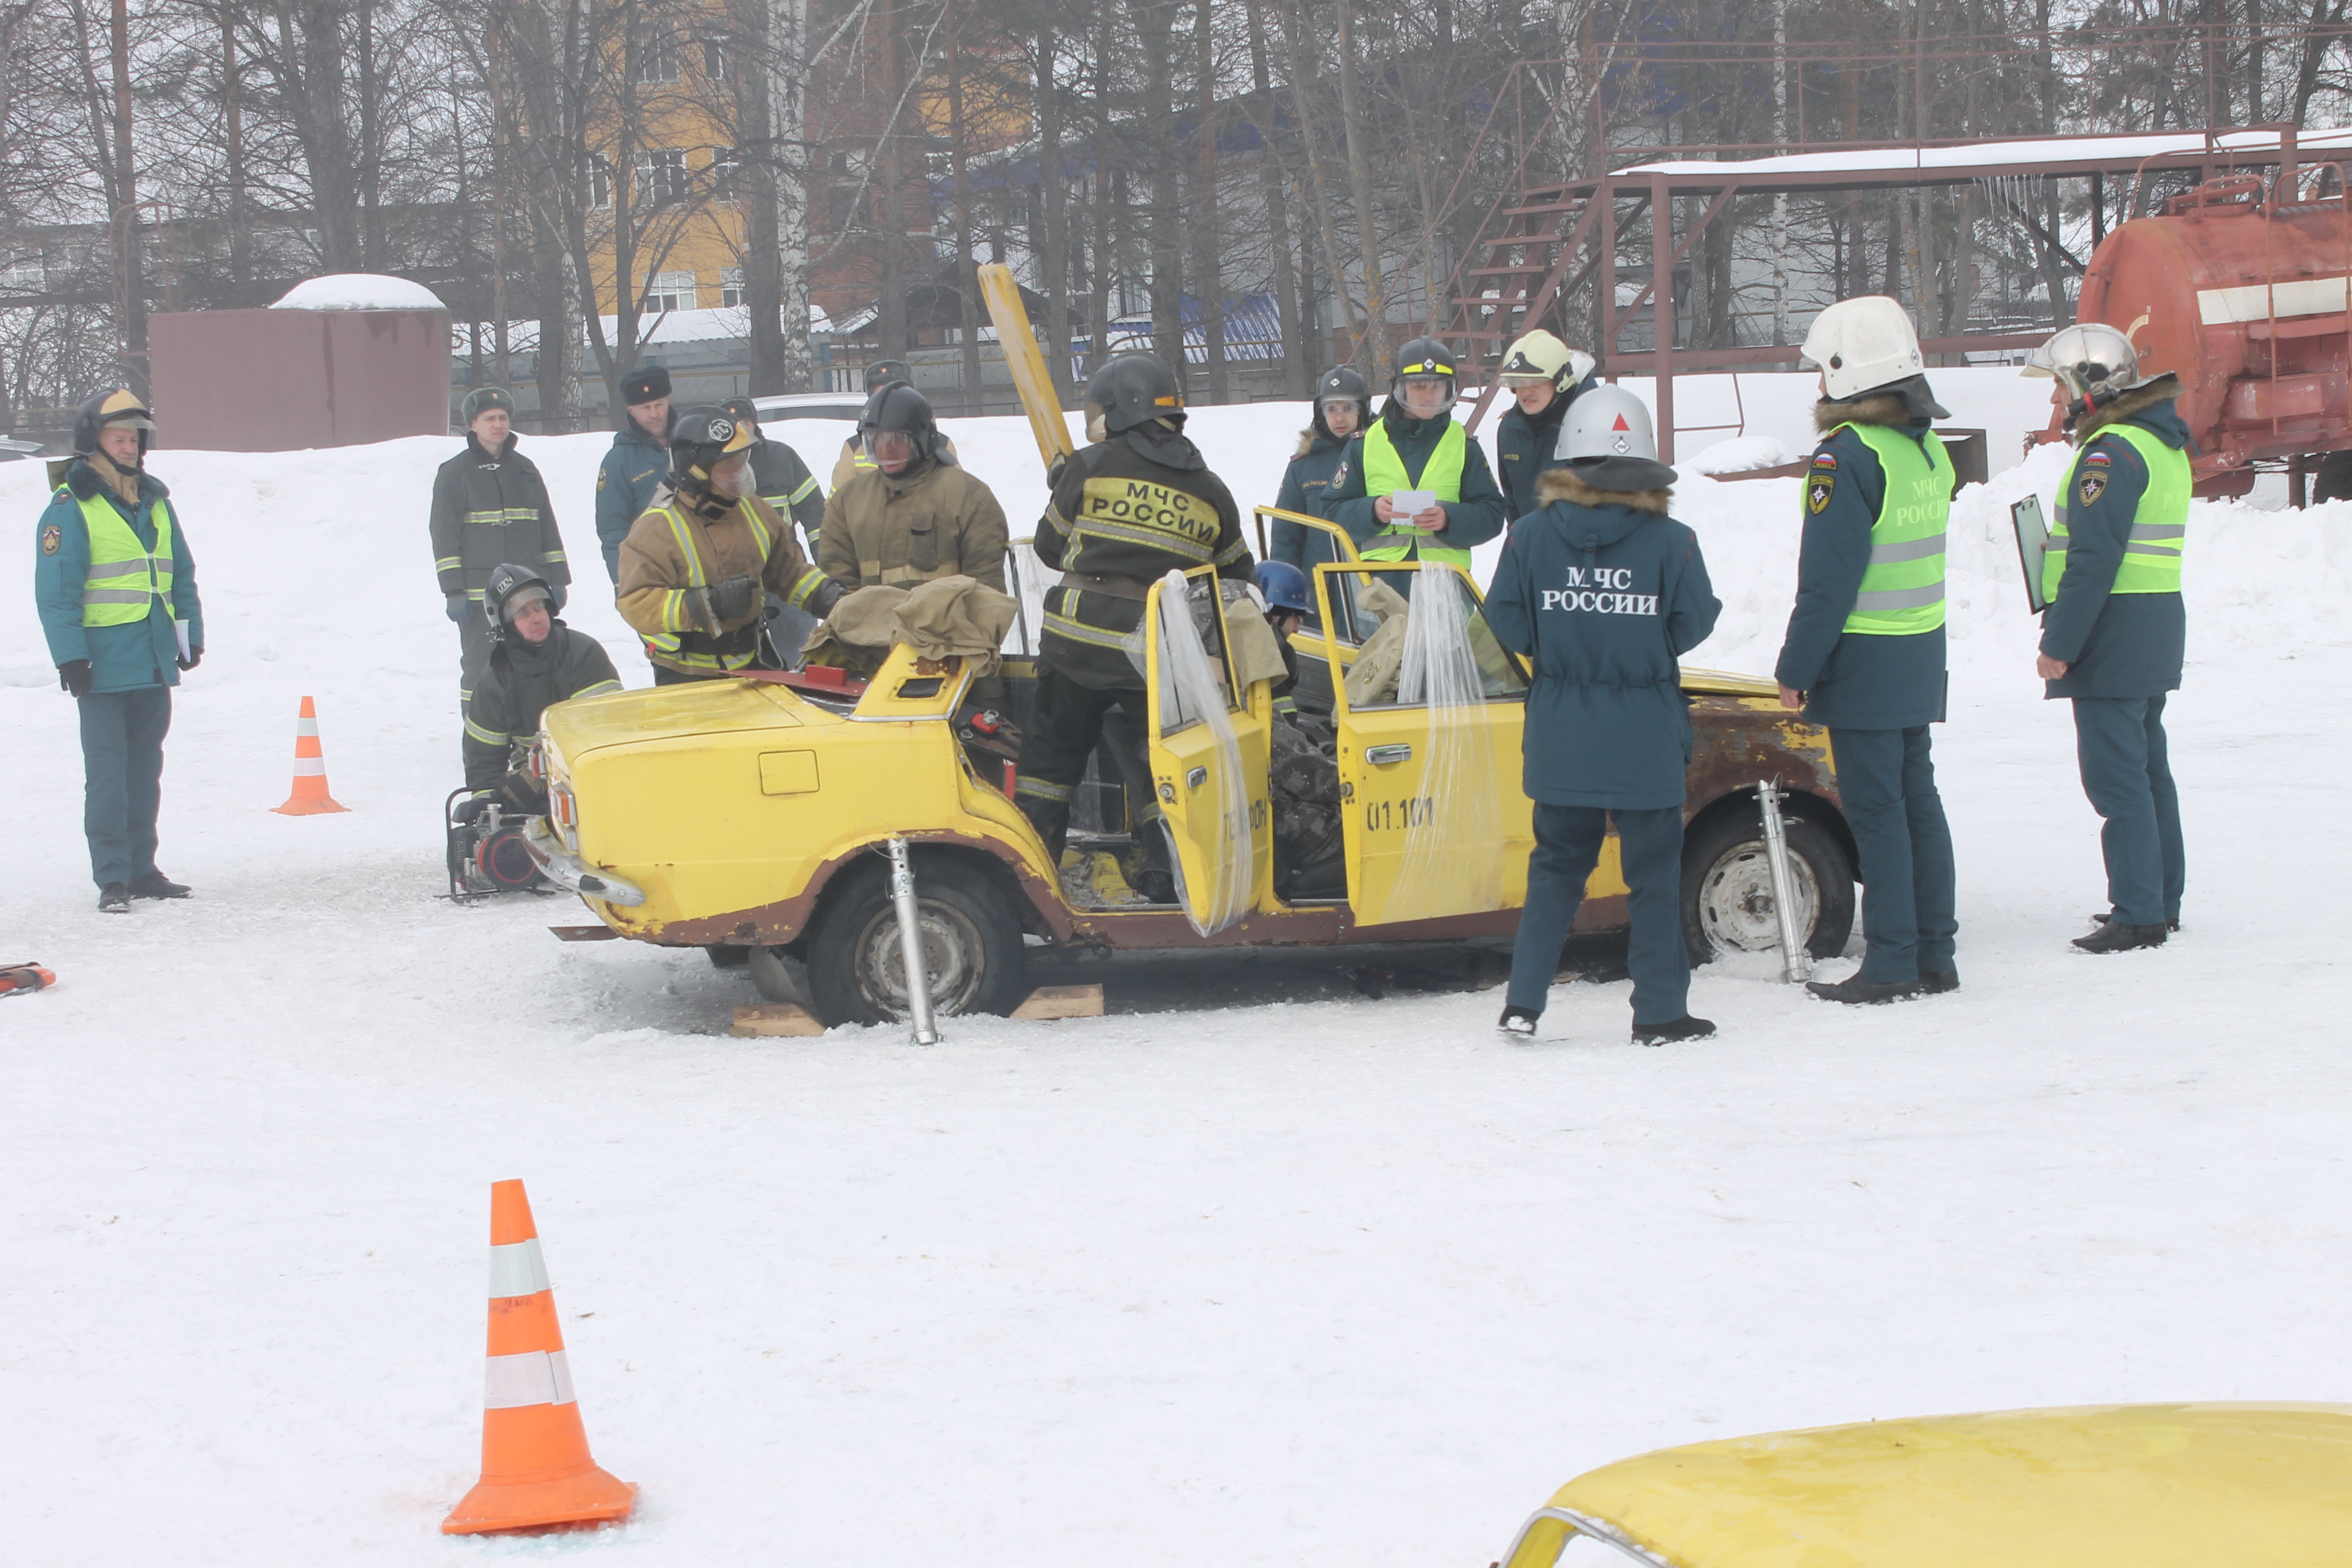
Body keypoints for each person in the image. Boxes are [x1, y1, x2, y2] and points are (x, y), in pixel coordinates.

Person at [1486, 386, 1721, 1044]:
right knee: (1652, 877)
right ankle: (1659, 1013)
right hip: (1644, 732)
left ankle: (1523, 1004)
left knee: (1556, 869)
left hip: (1562, 730)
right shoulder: (1673, 541)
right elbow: (1694, 622)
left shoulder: (1530, 536)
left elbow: (1506, 618)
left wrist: (1559, 647)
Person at [1772, 296, 1959, 1005]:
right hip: (1919, 649)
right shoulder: (1923, 445)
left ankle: (1890, 963)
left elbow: (1828, 583)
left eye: (1823, 369)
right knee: (1919, 803)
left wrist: (1797, 668)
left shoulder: (1845, 458)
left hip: (1867, 659)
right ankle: (1935, 952)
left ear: (1851, 375)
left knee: (1878, 814)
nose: (1817, 382)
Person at [1015, 352, 1254, 898]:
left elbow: (1052, 550)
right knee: (1162, 763)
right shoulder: (1212, 490)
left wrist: (1066, 489)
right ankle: (1165, 874)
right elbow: (1236, 578)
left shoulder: (1090, 465)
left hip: (1078, 646)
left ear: (1121, 409)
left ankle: (1028, 880)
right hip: (1157, 656)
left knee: (1049, 764)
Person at [2024, 323, 2191, 952]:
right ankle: (2161, 897)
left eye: (2062, 384)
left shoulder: (2108, 452)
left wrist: (2059, 643)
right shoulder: (2159, 442)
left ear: (2087, 386)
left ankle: (2139, 911)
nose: (2059, 398)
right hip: (2153, 622)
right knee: (2149, 771)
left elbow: (2093, 559)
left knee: (2117, 778)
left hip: (2112, 629)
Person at [34, 388, 205, 913]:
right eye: (119, 438)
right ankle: (112, 877)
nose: (130, 447)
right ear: (95, 441)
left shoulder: (154, 500)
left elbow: (180, 574)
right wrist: (71, 657)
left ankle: (143, 869)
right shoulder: (70, 507)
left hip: (153, 660)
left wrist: (189, 634)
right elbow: (57, 592)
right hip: (102, 666)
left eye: (135, 438)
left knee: (144, 771)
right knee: (108, 775)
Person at [617, 404, 846, 683]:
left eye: (744, 458)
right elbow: (636, 603)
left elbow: (787, 573)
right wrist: (705, 605)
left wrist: (829, 598)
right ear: (698, 471)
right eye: (730, 464)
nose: (742, 471)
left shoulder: (754, 510)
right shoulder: (657, 528)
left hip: (752, 661)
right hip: (686, 675)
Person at [430, 386, 570, 735]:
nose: (498, 424)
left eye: (503, 418)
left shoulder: (525, 469)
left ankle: (534, 731)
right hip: (480, 594)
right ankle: (479, 735)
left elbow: (547, 525)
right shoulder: (454, 472)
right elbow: (444, 535)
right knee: (481, 663)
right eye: (489, 418)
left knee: (535, 659)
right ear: (473, 425)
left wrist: (557, 579)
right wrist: (453, 590)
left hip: (528, 590)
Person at [1320, 336, 1507, 573]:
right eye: (1419, 386)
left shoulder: (1464, 446)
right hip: (1382, 582)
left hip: (1447, 583)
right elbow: (1332, 511)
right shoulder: (1363, 445)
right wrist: (1372, 511)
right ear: (1401, 389)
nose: (1428, 396)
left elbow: (1492, 515)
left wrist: (1449, 518)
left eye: (1437, 386)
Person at [818, 382, 1008, 594]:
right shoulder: (848, 502)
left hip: (949, 627)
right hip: (869, 627)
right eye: (876, 440)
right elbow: (840, 591)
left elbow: (987, 597)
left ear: (922, 440)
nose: (885, 450)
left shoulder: (969, 498)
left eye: (896, 440)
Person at [462, 563, 623, 802]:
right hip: (534, 794)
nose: (536, 618)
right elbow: (483, 764)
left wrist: (539, 775)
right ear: (505, 625)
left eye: (539, 607)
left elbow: (605, 734)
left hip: (598, 781)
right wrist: (488, 805)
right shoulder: (495, 680)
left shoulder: (583, 654)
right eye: (523, 613)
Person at [1255, 559, 1346, 900]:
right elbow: (1293, 766)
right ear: (1272, 616)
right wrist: (1353, 783)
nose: (1297, 626)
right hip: (1285, 815)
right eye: (1295, 616)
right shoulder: (1255, 684)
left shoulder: (1256, 671)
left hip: (1279, 803)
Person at [1491, 329, 1598, 527]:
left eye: (1536, 381)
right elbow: (1512, 505)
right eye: (1518, 383)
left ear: (1561, 380)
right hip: (1534, 550)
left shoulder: (1598, 424)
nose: (1526, 391)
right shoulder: (1510, 430)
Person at [1270, 366, 1370, 573]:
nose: (1339, 418)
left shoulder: (1381, 455)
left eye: (1348, 408)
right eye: (1331, 409)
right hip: (1319, 588)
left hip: (1372, 583)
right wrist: (1286, 586)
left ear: (1363, 410)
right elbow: (1285, 535)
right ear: (1320, 413)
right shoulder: (1303, 465)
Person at [720, 395, 826, 557]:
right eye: (734, 427)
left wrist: (824, 558)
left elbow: (814, 509)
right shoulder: (714, 467)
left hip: (786, 559)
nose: (741, 432)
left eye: (746, 424)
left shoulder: (781, 457)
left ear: (755, 425)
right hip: (736, 562)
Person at [830, 358, 958, 492]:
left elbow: (960, 495)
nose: (888, 403)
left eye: (896, 396)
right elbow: (836, 504)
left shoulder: (940, 444)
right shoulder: (854, 447)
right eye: (880, 397)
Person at [595, 365, 672, 584]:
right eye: (645, 408)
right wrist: (625, 583)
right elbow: (613, 530)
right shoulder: (618, 461)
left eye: (659, 405)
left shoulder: (694, 442)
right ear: (631, 410)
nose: (654, 414)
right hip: (654, 576)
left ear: (669, 401)